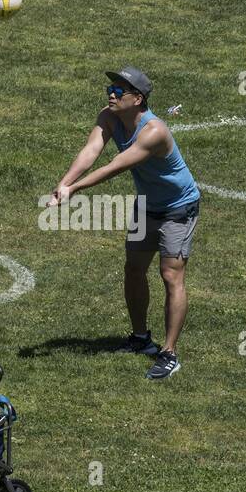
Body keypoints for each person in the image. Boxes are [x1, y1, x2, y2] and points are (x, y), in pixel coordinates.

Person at [48, 66, 200, 380]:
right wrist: (63, 183)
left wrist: (75, 189)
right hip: (147, 206)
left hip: (178, 208)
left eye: (120, 90)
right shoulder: (109, 116)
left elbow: (117, 165)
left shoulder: (154, 131)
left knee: (170, 275)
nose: (112, 94)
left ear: (138, 99)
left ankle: (169, 354)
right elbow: (91, 151)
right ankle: (141, 339)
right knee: (133, 269)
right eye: (111, 89)